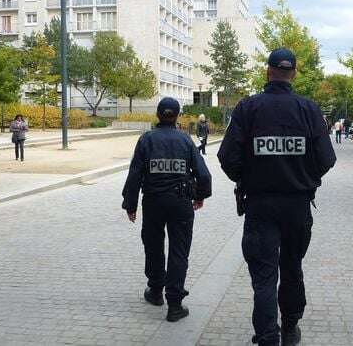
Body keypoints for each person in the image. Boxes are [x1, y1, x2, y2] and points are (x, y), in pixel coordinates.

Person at [218, 48, 337, 346]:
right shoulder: (309, 109)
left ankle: (268, 336)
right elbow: (327, 158)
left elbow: (227, 156)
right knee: (292, 266)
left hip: (260, 205)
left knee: (264, 275)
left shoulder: (248, 108)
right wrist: (306, 178)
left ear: (267, 71)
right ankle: (289, 328)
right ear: (294, 74)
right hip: (297, 205)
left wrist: (246, 178)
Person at [122, 97, 212, 322]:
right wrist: (200, 196)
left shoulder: (146, 140)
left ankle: (155, 291)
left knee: (153, 247)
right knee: (179, 251)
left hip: (153, 202)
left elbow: (135, 175)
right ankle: (175, 304)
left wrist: (130, 205)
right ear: (178, 116)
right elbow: (203, 174)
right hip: (181, 202)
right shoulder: (185, 140)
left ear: (158, 115)